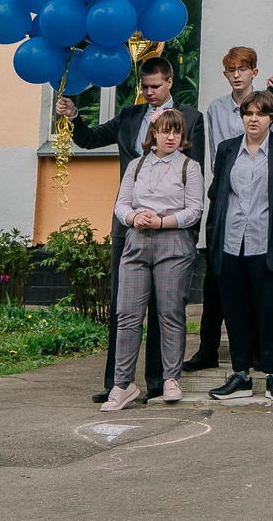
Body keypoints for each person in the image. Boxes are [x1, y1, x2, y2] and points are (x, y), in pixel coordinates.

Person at [61, 55, 204, 403]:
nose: (149, 92)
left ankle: (158, 380)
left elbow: (194, 173)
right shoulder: (129, 115)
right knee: (124, 308)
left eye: (155, 86)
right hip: (129, 227)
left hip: (171, 231)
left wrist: (189, 230)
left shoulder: (190, 118)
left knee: (165, 309)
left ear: (169, 82)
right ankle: (117, 381)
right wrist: (75, 116)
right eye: (145, 87)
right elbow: (90, 139)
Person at [203, 92, 273, 400]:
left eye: (260, 114)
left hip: (267, 243)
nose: (253, 119)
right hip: (230, 242)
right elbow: (217, 194)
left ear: (271, 118)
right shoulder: (227, 149)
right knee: (235, 311)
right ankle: (241, 375)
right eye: (248, 113)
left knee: (268, 312)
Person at [105, 106, 205, 409]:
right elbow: (121, 204)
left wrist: (162, 221)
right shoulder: (137, 165)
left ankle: (170, 379)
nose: (171, 137)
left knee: (170, 313)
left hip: (173, 243)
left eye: (177, 131)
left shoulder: (189, 167)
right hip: (137, 241)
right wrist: (134, 217)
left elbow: (194, 210)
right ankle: (122, 384)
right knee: (127, 315)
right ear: (154, 133)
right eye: (165, 131)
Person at [186, 45, 261, 371]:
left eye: (242, 69)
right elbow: (215, 155)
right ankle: (208, 348)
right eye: (231, 70)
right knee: (215, 274)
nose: (236, 75)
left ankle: (255, 348)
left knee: (253, 274)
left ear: (254, 72)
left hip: (258, 196)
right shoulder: (216, 109)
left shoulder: (267, 105)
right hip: (224, 195)